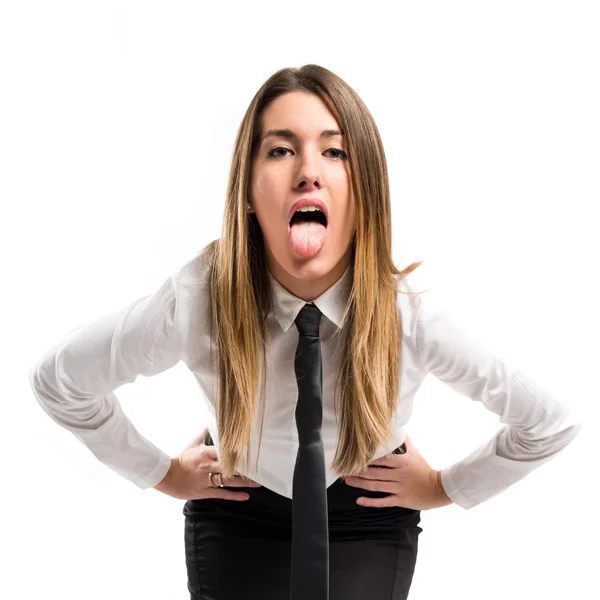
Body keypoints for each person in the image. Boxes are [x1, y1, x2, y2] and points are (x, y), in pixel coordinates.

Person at [28, 64, 582, 600]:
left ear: (363, 188)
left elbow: (549, 422)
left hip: (364, 512)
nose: (308, 170)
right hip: (239, 504)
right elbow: (61, 379)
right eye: (280, 149)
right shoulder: (198, 301)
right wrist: (162, 473)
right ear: (248, 190)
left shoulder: (409, 316)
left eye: (334, 150)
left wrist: (443, 487)